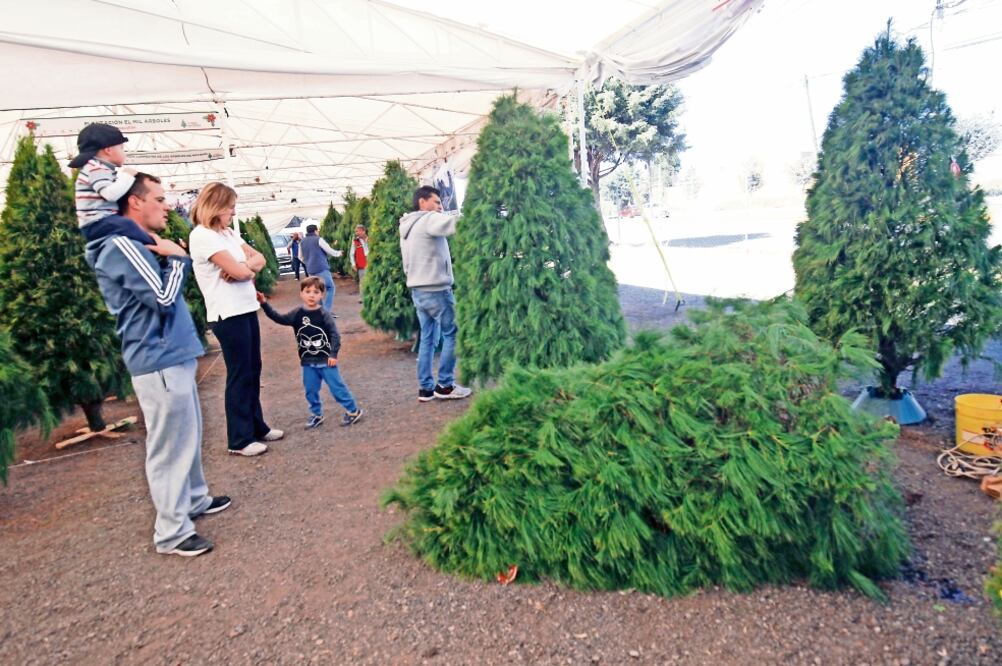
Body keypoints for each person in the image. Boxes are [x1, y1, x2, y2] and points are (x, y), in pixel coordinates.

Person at [85, 172, 228, 557]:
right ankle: (172, 532)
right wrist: (178, 258)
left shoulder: (135, 243)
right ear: (135, 202)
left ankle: (195, 500)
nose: (167, 207)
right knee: (169, 446)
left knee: (189, 434)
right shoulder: (119, 245)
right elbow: (162, 297)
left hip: (171, 355)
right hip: (157, 358)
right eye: (160, 199)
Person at [188, 182, 283, 457]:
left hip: (245, 307)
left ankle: (256, 426)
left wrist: (243, 267)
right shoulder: (203, 236)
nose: (233, 211)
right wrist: (243, 269)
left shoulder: (227, 232)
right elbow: (242, 273)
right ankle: (239, 439)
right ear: (215, 206)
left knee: (254, 368)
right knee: (240, 372)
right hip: (226, 313)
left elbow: (259, 260)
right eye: (230, 206)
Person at [257, 277, 364, 430]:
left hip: (326, 361)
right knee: (310, 390)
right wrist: (264, 304)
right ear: (301, 293)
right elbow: (279, 318)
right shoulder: (297, 314)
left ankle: (353, 411)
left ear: (322, 295)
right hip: (308, 362)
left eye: (316, 292)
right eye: (307, 291)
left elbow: (335, 335)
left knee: (337, 387)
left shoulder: (324, 314)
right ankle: (316, 414)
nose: (311, 295)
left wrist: (333, 354)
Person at [399, 186, 472, 402]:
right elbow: (454, 224)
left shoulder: (407, 226)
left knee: (428, 338)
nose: (441, 207)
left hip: (418, 290)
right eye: (437, 202)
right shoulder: (429, 219)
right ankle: (446, 386)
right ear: (423, 202)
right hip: (436, 290)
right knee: (453, 333)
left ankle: (425, 389)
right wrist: (477, 212)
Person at [70, 123, 153, 246]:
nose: (124, 153)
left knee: (128, 226)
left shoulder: (100, 169)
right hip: (96, 222)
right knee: (128, 225)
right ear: (108, 150)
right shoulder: (96, 168)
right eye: (121, 148)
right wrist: (127, 175)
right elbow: (110, 194)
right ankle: (155, 246)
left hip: (99, 222)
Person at [298, 224, 341, 311]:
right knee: (330, 287)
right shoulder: (318, 239)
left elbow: (300, 256)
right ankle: (326, 310)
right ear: (315, 231)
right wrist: (338, 253)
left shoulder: (302, 242)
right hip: (321, 268)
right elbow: (329, 250)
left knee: (317, 289)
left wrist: (308, 262)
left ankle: (321, 310)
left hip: (310, 269)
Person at [350, 225, 369, 304]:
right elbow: (351, 253)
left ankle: (370, 296)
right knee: (362, 281)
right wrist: (353, 264)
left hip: (371, 263)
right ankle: (362, 297)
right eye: (356, 231)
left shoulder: (370, 239)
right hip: (362, 263)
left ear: (363, 231)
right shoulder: (355, 241)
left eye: (358, 231)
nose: (356, 233)